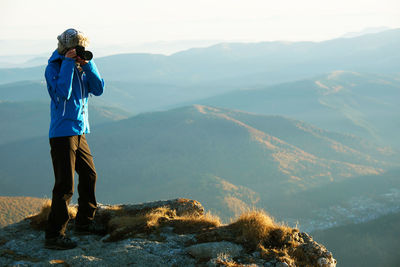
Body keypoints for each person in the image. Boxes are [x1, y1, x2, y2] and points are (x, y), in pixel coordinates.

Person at [44, 28, 105, 250]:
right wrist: (69, 64)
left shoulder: (81, 66)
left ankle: (85, 222)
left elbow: (98, 89)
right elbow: (63, 93)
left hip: (79, 131)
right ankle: (54, 235)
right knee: (65, 185)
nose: (75, 50)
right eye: (72, 47)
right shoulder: (54, 67)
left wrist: (88, 65)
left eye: (79, 46)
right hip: (62, 133)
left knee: (89, 175)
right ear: (63, 47)